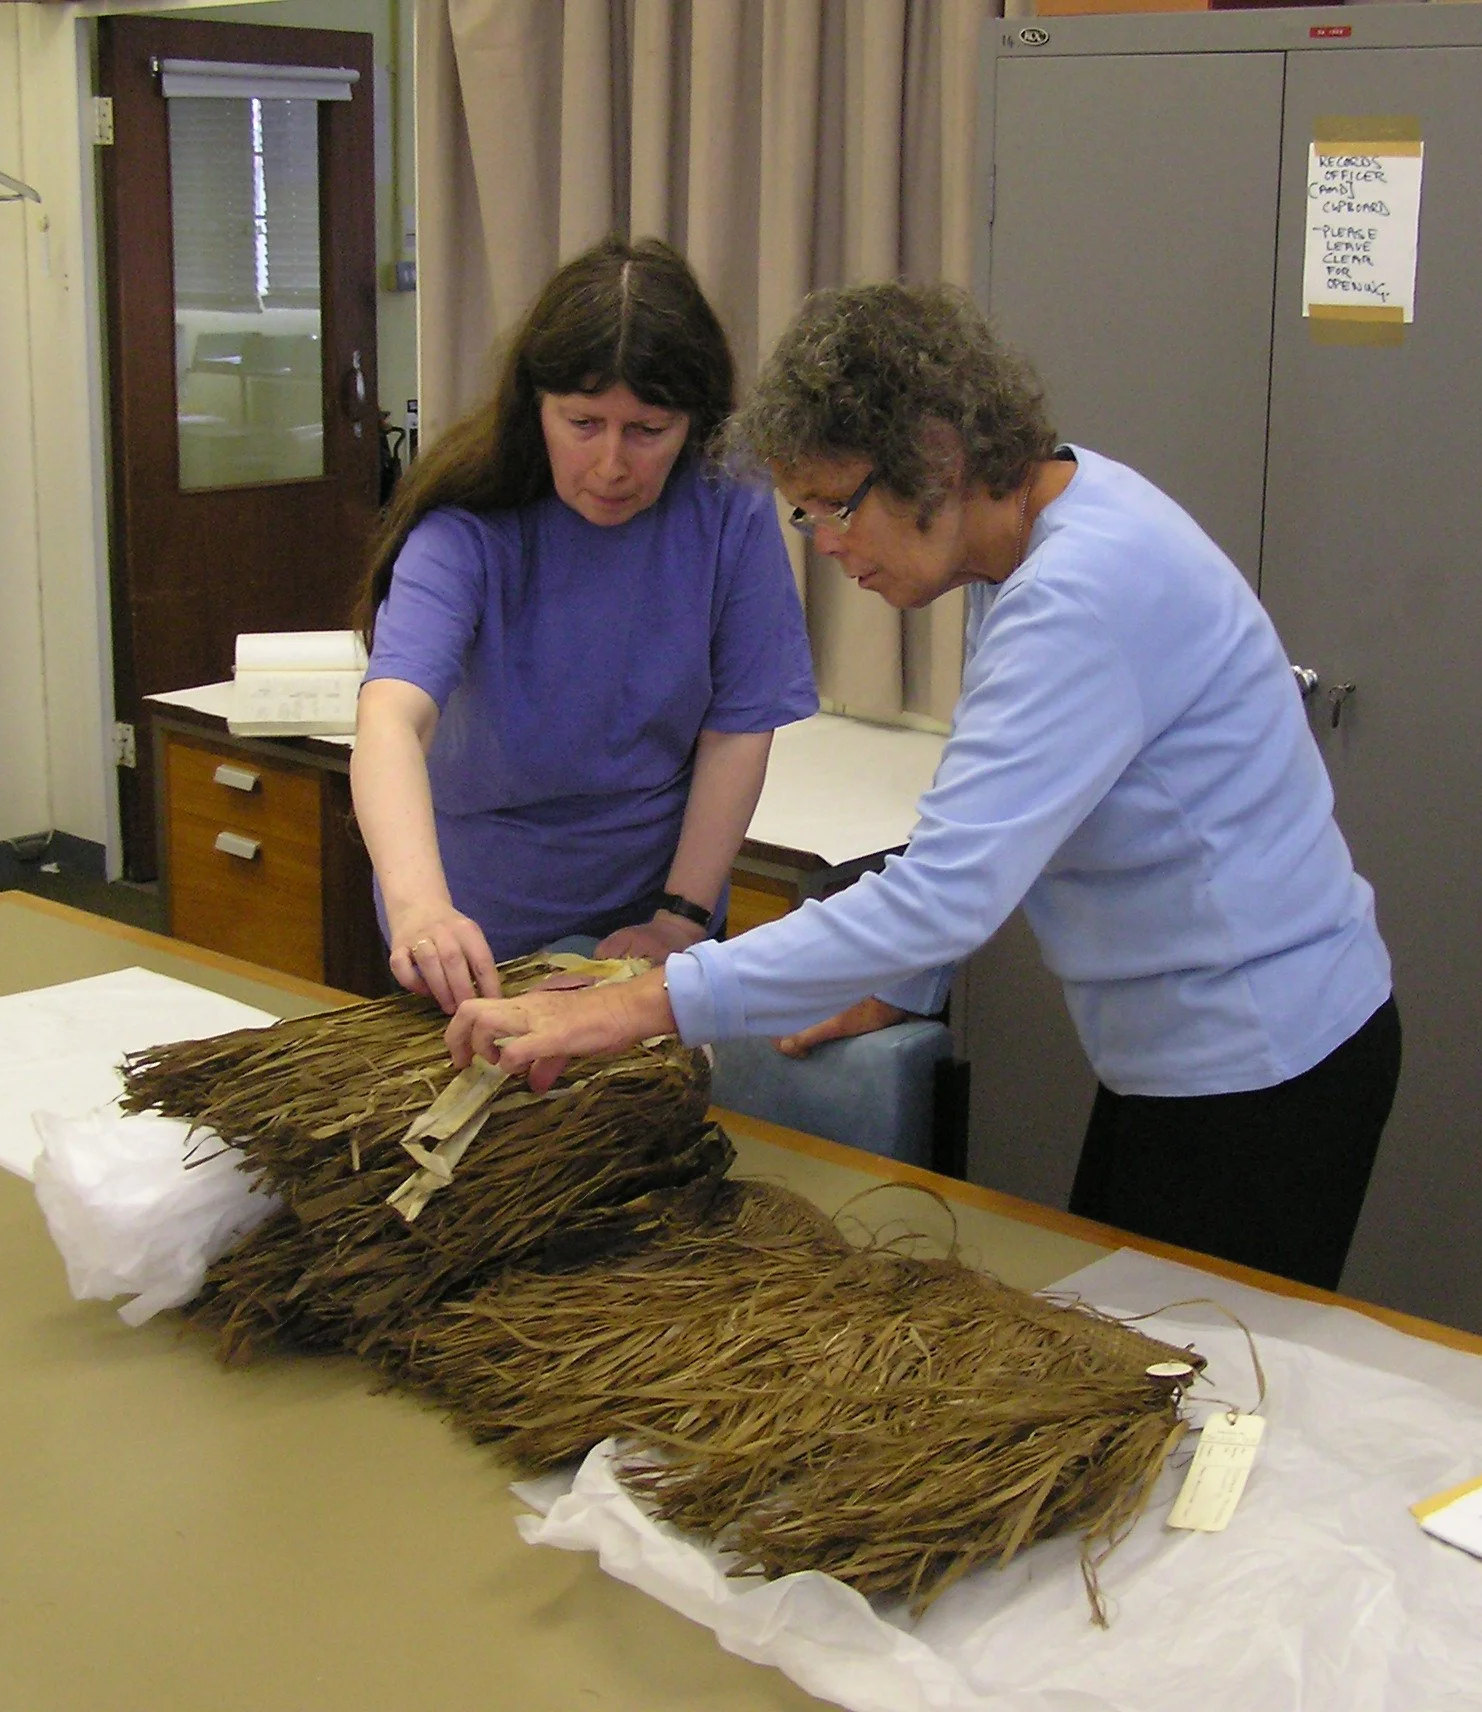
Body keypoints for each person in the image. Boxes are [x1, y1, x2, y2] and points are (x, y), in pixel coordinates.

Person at [445, 279, 1401, 1292]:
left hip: (1263, 1060)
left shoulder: (1079, 593)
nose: (830, 547)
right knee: (1128, 1356)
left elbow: (946, 890)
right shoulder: (1041, 527)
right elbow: (1003, 814)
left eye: (836, 508)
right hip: (1187, 1050)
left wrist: (634, 1006)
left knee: (1199, 1396)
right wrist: (893, 987)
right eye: (804, 515)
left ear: (936, 458)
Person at [350, 238, 817, 1010]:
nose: (610, 465)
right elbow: (392, 719)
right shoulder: (468, 526)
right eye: (583, 423)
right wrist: (420, 910)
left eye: (647, 431)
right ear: (535, 408)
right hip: (473, 928)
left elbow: (738, 725)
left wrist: (681, 917)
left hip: (655, 918)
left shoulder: (725, 501)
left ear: (695, 425)